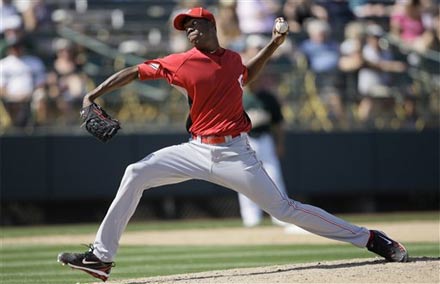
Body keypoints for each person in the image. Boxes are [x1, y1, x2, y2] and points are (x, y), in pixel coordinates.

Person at [57, 7, 408, 282]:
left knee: (284, 209)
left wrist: (273, 44)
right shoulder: (181, 63)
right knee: (136, 172)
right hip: (194, 150)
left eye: (194, 25)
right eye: (185, 28)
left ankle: (371, 239)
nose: (189, 31)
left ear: (211, 27)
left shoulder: (232, 59)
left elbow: (244, 75)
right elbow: (134, 71)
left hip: (235, 154)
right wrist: (94, 93)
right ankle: (101, 258)